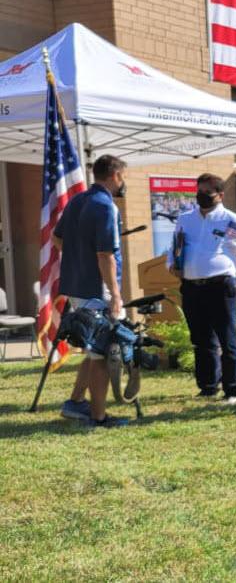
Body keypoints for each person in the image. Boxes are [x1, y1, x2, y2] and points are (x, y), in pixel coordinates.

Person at [54, 154, 129, 428]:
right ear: (116, 176)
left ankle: (75, 403)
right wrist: (116, 294)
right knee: (104, 352)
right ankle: (98, 417)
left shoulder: (77, 200)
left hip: (77, 286)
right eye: (123, 177)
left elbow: (56, 237)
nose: (123, 183)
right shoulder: (105, 206)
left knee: (92, 349)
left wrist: (77, 259)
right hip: (98, 290)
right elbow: (105, 255)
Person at [168, 173, 236, 403]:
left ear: (220, 195)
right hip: (192, 286)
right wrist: (172, 264)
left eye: (207, 193)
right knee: (201, 339)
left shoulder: (231, 220)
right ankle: (208, 386)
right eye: (199, 191)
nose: (201, 196)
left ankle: (232, 389)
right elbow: (175, 246)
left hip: (220, 285)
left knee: (228, 338)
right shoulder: (186, 219)